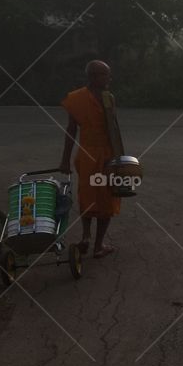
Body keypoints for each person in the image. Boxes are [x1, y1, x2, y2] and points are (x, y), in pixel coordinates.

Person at [59, 59, 122, 258]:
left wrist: (120, 158)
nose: (109, 78)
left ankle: (92, 240)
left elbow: (114, 130)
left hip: (105, 156)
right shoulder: (77, 98)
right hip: (91, 155)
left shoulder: (108, 98)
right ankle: (92, 241)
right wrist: (64, 160)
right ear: (94, 77)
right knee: (93, 197)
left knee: (103, 197)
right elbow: (71, 131)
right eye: (106, 75)